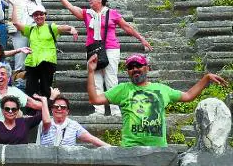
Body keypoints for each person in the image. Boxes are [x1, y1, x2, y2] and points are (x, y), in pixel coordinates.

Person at [87, 53, 228, 147]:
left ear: (147, 68)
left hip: (158, 149)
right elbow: (94, 99)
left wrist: (206, 78)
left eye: (138, 65)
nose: (135, 69)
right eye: (131, 67)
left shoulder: (161, 89)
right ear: (128, 71)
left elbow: (188, 96)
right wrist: (91, 72)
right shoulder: (122, 89)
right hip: (130, 148)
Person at [50, 0, 153, 116]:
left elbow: (126, 27)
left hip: (111, 48)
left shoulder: (112, 13)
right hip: (93, 48)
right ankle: (99, 110)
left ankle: (115, 110)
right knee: (96, 79)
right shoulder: (87, 13)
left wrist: (141, 38)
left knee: (111, 78)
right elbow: (71, 8)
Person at [12, 5, 78, 99]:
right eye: (36, 15)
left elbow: (64, 27)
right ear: (33, 17)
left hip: (47, 62)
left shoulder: (51, 27)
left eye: (41, 14)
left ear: (45, 15)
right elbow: (15, 24)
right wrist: (14, 6)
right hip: (32, 62)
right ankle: (32, 112)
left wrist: (72, 29)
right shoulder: (30, 29)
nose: (39, 17)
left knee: (46, 89)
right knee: (30, 89)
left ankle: (47, 109)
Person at [38, 90, 110, 147]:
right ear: (52, 110)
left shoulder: (73, 125)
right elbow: (46, 121)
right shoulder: (45, 123)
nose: (59, 109)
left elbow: (91, 139)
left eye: (63, 107)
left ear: (67, 111)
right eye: (56, 106)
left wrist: (110, 147)